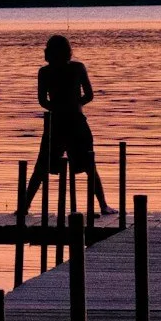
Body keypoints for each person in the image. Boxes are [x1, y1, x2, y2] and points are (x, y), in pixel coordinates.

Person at [30, 33, 107, 221]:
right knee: (89, 165)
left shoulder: (45, 72)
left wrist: (58, 108)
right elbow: (89, 95)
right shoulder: (77, 68)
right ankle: (103, 205)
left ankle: (24, 206)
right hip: (75, 121)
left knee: (41, 166)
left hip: (57, 122)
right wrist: (75, 105)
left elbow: (42, 101)